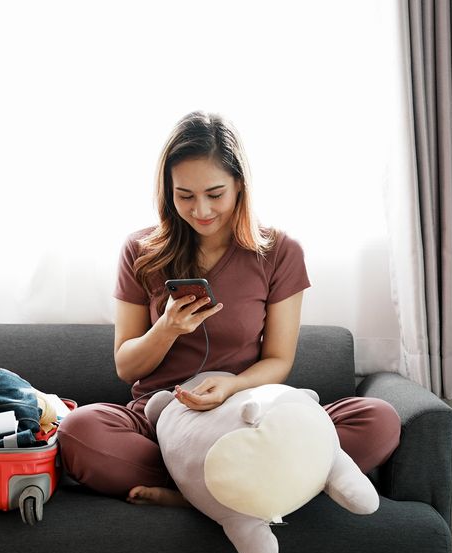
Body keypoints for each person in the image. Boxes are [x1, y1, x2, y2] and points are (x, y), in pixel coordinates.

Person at [58, 111, 400, 507]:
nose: (201, 210)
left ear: (240, 185)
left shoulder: (279, 252)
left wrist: (233, 386)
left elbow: (278, 360)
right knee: (80, 430)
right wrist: (166, 328)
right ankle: (242, 488)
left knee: (378, 419)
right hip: (163, 419)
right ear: (167, 191)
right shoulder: (140, 251)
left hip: (249, 414)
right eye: (184, 195)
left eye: (215, 194)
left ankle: (195, 494)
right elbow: (126, 366)